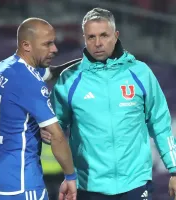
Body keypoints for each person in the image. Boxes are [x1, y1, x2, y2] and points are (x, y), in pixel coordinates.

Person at [41, 8, 176, 200]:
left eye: (104, 35)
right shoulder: (70, 80)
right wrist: (47, 133)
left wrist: (174, 169)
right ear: (84, 39)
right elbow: (56, 129)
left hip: (135, 183)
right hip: (89, 185)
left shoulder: (140, 73)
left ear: (116, 35)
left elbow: (161, 125)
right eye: (91, 37)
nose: (97, 43)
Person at [0, 18, 77, 200]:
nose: (55, 49)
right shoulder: (30, 83)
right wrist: (71, 177)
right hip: (21, 181)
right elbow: (56, 136)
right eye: (47, 44)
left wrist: (81, 62)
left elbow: (49, 73)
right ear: (27, 45)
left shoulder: (4, 66)